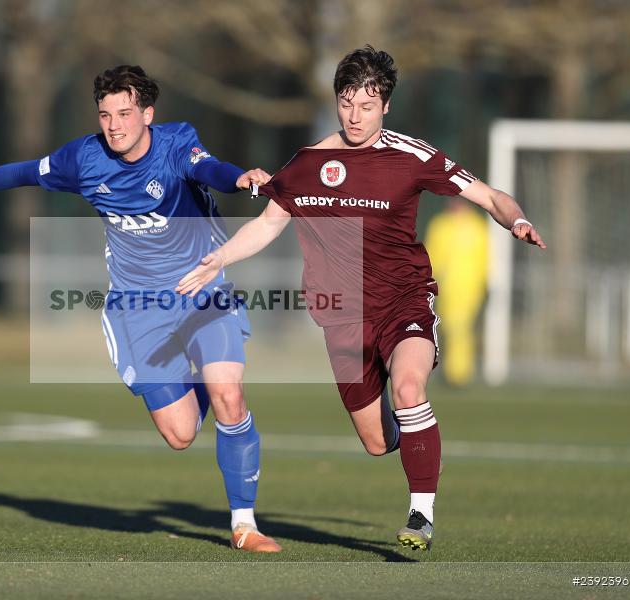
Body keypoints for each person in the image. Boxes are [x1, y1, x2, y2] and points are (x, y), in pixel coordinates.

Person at [177, 46, 546, 551]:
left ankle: (421, 514)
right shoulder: (307, 164)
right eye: (346, 102)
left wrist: (518, 220)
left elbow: (490, 197)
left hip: (405, 300)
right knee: (377, 441)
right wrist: (219, 259)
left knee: (410, 388)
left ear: (386, 106)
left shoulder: (411, 156)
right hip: (343, 320)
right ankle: (411, 436)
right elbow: (267, 225)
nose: (354, 115)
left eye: (366, 105)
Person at [0, 65, 281, 552]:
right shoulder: (83, 159)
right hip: (138, 308)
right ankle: (201, 381)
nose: (115, 125)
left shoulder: (175, 144)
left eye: (125, 113)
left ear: (148, 113)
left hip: (204, 291)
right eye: (105, 114)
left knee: (228, 395)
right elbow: (20, 173)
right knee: (181, 433)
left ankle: (244, 525)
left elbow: (210, 170)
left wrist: (240, 179)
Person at [424, 197, 489, 386]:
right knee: (450, 328)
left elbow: (484, 257)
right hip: (445, 285)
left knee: (458, 327)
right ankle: (455, 370)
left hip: (469, 286)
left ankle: (457, 373)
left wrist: (486, 281)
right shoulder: (441, 225)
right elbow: (432, 254)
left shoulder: (477, 226)